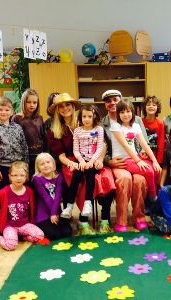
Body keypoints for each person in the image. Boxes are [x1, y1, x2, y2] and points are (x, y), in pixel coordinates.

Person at [47, 93, 114, 235]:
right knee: (80, 179)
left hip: (94, 159)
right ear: (57, 110)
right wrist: (73, 163)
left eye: (68, 105)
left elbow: (103, 144)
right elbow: (61, 155)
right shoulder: (55, 129)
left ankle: (105, 219)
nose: (65, 108)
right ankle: (83, 221)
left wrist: (100, 160)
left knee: (106, 176)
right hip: (71, 162)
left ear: (73, 106)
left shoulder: (85, 120)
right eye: (61, 106)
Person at [102, 89, 149, 232]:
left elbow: (144, 143)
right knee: (124, 180)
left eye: (115, 100)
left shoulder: (137, 120)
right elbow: (98, 147)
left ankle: (139, 217)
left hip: (135, 161)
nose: (112, 103)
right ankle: (121, 220)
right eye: (108, 101)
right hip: (117, 163)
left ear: (121, 101)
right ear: (105, 104)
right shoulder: (101, 123)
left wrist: (142, 154)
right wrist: (108, 161)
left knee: (139, 180)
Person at [110, 99, 161, 203]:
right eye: (122, 112)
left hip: (133, 158)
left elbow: (144, 145)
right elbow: (125, 146)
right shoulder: (115, 126)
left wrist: (155, 161)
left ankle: (150, 197)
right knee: (149, 171)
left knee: (156, 169)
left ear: (133, 113)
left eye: (128, 111)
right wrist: (138, 161)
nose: (125, 115)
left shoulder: (136, 126)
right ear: (118, 114)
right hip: (123, 160)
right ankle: (153, 197)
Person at [0, 161, 44, 250]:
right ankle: (0, 237)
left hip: (25, 224)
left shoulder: (29, 191)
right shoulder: (3, 193)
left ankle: (21, 237)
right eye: (15, 175)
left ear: (26, 177)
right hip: (9, 226)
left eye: (22, 175)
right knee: (11, 245)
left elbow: (32, 209)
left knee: (40, 236)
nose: (18, 178)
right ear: (10, 176)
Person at [61, 104, 104, 218]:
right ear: (80, 117)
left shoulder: (99, 129)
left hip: (93, 161)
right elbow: (76, 150)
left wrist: (91, 162)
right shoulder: (77, 131)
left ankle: (87, 203)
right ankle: (69, 206)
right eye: (84, 116)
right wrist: (81, 161)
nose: (87, 119)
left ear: (94, 116)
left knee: (90, 173)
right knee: (77, 175)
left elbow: (100, 147)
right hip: (82, 160)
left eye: (89, 116)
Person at [0, 97, 29, 191]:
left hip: (19, 166)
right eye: (0, 109)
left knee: (19, 192)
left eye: (7, 110)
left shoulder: (17, 127)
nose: (4, 112)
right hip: (3, 167)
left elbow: (24, 146)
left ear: (12, 112)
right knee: (4, 194)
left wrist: (26, 165)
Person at [32, 153, 72, 240]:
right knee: (54, 235)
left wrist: (55, 213)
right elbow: (46, 197)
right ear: (38, 167)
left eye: (48, 162)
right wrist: (53, 214)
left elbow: (58, 196)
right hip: (43, 214)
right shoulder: (37, 179)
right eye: (42, 164)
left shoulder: (59, 176)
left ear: (53, 164)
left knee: (67, 232)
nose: (46, 165)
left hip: (56, 211)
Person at [12, 88, 46, 178]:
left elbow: (43, 136)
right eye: (28, 102)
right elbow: (15, 140)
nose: (32, 105)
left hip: (39, 155)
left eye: (34, 102)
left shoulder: (40, 118)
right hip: (25, 156)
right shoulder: (17, 118)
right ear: (23, 102)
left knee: (39, 179)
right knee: (28, 179)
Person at [141, 95, 165, 166]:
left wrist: (159, 161)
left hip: (156, 158)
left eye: (154, 105)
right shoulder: (140, 122)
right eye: (148, 105)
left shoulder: (160, 124)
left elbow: (161, 143)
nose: (151, 106)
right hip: (143, 157)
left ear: (157, 108)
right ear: (145, 107)